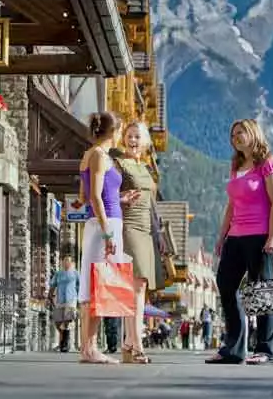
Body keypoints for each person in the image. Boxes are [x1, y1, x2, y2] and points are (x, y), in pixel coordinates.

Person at [206, 119, 273, 365]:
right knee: (226, 284)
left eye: (241, 132)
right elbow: (231, 205)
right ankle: (235, 347)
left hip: (261, 235)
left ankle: (265, 349)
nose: (236, 137)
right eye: (233, 134)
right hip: (236, 236)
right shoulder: (236, 165)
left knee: (263, 292)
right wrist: (222, 236)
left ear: (253, 134)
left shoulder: (268, 163)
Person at [77, 111, 127, 365]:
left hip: (99, 222)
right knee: (99, 286)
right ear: (113, 132)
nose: (120, 136)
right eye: (120, 131)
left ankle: (88, 348)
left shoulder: (90, 155)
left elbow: (84, 196)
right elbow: (95, 197)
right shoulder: (99, 155)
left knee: (94, 285)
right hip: (104, 224)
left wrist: (120, 199)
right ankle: (90, 348)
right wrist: (108, 231)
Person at [111, 121, 157, 364]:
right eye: (129, 136)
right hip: (129, 227)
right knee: (136, 288)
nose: (133, 140)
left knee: (139, 288)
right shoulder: (120, 164)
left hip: (147, 229)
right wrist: (121, 198)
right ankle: (136, 344)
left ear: (145, 141)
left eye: (137, 136)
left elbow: (151, 203)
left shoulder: (146, 167)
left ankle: (129, 342)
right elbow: (105, 194)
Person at [49, 256, 79, 353]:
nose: (66, 262)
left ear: (71, 263)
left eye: (68, 261)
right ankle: (64, 339)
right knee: (58, 322)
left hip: (71, 299)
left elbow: (80, 285)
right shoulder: (58, 274)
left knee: (67, 321)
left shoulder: (75, 273)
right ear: (62, 262)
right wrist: (50, 296)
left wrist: (79, 298)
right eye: (64, 260)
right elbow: (53, 284)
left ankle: (64, 344)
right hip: (60, 300)